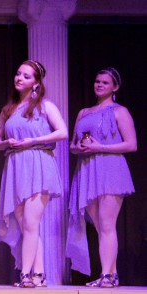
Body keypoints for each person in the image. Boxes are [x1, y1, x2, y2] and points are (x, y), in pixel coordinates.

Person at [0, 60, 68, 288]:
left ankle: (25, 274)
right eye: (18, 74)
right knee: (25, 224)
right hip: (16, 167)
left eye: (26, 76)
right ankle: (39, 275)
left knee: (31, 223)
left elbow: (62, 132)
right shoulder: (8, 110)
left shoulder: (45, 107)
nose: (19, 78)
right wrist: (6, 142)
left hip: (39, 164)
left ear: (36, 82)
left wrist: (33, 141)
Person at [66, 67, 137, 287]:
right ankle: (110, 274)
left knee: (107, 225)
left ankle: (107, 275)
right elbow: (72, 145)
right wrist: (81, 148)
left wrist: (101, 146)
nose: (99, 85)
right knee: (100, 227)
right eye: (97, 81)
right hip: (88, 170)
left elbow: (131, 144)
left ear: (114, 87)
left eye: (105, 83)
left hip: (110, 169)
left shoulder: (119, 111)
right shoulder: (84, 113)